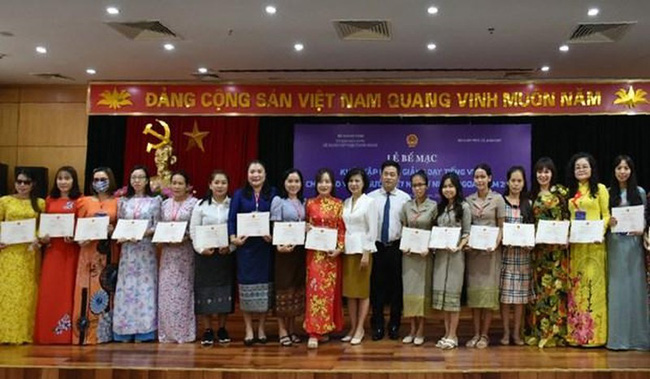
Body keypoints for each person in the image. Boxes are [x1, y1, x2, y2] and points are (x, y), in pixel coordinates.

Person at [228, 160, 276, 346]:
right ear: (247, 175)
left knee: (264, 289)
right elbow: (231, 219)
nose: (256, 175)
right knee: (247, 288)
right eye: (252, 172)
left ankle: (262, 328)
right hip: (245, 249)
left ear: (265, 174)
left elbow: (276, 219)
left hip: (264, 249)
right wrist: (233, 238)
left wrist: (273, 235)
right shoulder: (239, 194)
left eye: (259, 171)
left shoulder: (272, 194)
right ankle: (248, 328)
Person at [523, 157, 570, 348]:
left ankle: (557, 334)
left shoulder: (561, 192)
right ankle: (536, 333)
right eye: (540, 172)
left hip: (557, 252)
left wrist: (567, 235)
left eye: (547, 171)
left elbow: (568, 217)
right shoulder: (530, 196)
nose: (543, 175)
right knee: (538, 294)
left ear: (552, 173)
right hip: (538, 252)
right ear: (535, 174)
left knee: (556, 293)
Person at [113, 165, 162, 342]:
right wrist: (123, 234)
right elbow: (119, 225)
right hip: (128, 251)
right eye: (134, 177)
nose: (137, 181)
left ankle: (145, 330)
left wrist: (143, 232)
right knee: (126, 286)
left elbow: (158, 226)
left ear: (147, 181)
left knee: (145, 287)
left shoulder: (155, 201)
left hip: (145, 250)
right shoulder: (123, 202)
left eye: (141, 177)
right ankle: (124, 331)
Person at [34, 166, 82, 344]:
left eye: (67, 178)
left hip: (70, 252)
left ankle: (66, 333)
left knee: (67, 291)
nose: (63, 182)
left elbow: (83, 224)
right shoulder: (49, 200)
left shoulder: (80, 200)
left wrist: (75, 235)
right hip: (53, 251)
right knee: (49, 290)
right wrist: (43, 237)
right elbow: (42, 226)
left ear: (74, 181)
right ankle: (46, 333)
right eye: (60, 178)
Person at [566, 152, 609, 347]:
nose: (581, 170)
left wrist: (600, 231)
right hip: (577, 246)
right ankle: (577, 335)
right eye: (577, 167)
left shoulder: (599, 189)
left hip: (595, 245)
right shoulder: (570, 191)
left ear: (592, 169)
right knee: (578, 288)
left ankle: (595, 336)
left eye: (584, 166)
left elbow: (606, 215)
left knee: (594, 288)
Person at [606, 155, 649, 350]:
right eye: (619, 168)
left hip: (633, 244)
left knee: (635, 288)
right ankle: (617, 339)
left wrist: (643, 229)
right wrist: (609, 222)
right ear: (614, 171)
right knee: (617, 290)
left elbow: (645, 218)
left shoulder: (639, 192)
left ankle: (638, 338)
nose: (622, 171)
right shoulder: (607, 193)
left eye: (626, 168)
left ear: (631, 171)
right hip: (614, 244)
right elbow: (604, 219)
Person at [72, 167, 118, 345]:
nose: (100, 182)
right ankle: (84, 334)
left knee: (106, 288)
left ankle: (104, 334)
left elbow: (122, 224)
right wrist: (79, 239)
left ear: (110, 180)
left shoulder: (117, 202)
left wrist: (113, 229)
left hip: (108, 252)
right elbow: (77, 226)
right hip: (89, 252)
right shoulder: (83, 201)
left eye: (103, 179)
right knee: (86, 288)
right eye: (96, 179)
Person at [189, 170, 235, 346]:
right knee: (205, 291)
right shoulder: (201, 206)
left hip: (225, 256)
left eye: (223, 183)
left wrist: (230, 247)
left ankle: (222, 328)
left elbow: (236, 228)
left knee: (224, 292)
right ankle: (207, 330)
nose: (220, 186)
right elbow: (194, 231)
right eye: (217, 182)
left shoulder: (232, 205)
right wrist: (201, 249)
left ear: (228, 185)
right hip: (205, 256)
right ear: (210, 185)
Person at [0, 169, 45, 344]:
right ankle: (4, 333)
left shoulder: (39, 203)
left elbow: (45, 227)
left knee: (26, 294)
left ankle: (24, 333)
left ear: (33, 184)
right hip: (8, 254)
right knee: (7, 293)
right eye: (19, 182)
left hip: (29, 253)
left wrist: (39, 239)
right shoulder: (4, 201)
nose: (22, 185)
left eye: (26, 182)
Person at [368, 160, 410, 341]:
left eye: (393, 174)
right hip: (376, 248)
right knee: (376, 289)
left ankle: (394, 324)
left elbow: (407, 225)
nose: (389, 177)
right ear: (380, 175)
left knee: (396, 289)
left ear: (398, 177)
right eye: (386, 173)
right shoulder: (370, 198)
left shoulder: (405, 198)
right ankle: (377, 324)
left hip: (396, 247)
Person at [303, 168, 345, 349]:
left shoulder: (339, 204)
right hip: (314, 255)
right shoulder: (309, 203)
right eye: (321, 182)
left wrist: (339, 249)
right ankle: (313, 332)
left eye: (327, 181)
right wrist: (304, 228)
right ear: (316, 184)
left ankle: (326, 329)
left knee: (329, 294)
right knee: (314, 292)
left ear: (332, 184)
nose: (324, 185)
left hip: (331, 256)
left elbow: (342, 229)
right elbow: (304, 225)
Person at [465, 163, 505, 349]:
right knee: (475, 296)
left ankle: (485, 335)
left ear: (489, 178)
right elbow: (466, 228)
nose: (480, 180)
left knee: (487, 297)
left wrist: (495, 244)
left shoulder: (497, 199)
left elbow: (501, 227)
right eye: (477, 177)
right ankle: (475, 333)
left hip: (490, 254)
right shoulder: (468, 200)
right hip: (474, 255)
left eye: (483, 177)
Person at [157, 171, 198, 343]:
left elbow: (195, 228)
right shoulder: (164, 204)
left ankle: (184, 333)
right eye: (174, 183)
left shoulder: (195, 204)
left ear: (188, 186)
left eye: (180, 183)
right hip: (168, 253)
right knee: (166, 292)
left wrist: (186, 236)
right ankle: (166, 333)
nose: (176, 186)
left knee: (183, 291)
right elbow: (159, 225)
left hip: (185, 252)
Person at [432, 172, 471, 350]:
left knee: (453, 298)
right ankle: (446, 333)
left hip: (456, 257)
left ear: (457, 188)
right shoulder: (439, 208)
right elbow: (434, 232)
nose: (448, 190)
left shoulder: (464, 207)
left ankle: (453, 335)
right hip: (440, 257)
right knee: (443, 298)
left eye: (451, 186)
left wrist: (459, 246)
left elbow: (467, 233)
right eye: (445, 186)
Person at [398, 170, 436, 346]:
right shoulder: (406, 206)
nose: (418, 188)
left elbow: (436, 232)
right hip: (409, 256)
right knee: (410, 292)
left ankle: (421, 330)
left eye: (421, 184)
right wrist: (403, 246)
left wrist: (429, 247)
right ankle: (411, 329)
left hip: (424, 256)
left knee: (422, 293)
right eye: (414, 185)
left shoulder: (433, 206)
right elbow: (403, 228)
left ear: (426, 186)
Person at [270, 169, 307, 347]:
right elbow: (275, 225)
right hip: (283, 252)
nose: (293, 184)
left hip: (299, 252)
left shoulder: (302, 203)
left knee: (295, 290)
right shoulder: (279, 201)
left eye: (297, 181)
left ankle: (292, 329)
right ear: (284, 183)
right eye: (290, 181)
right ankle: (282, 330)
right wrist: (279, 245)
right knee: (283, 289)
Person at [341, 168, 377, 345]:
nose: (353, 184)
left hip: (363, 251)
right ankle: (353, 327)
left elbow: (372, 230)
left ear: (364, 183)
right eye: (351, 181)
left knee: (362, 292)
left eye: (357, 181)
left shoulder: (369, 202)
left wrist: (366, 253)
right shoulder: (346, 202)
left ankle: (361, 328)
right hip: (348, 251)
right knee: (350, 293)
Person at [499, 166, 534, 346]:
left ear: (523, 183)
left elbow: (533, 230)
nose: (516, 184)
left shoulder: (529, 204)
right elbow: (498, 229)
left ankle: (516, 333)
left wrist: (531, 241)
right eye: (513, 180)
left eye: (519, 181)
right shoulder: (501, 202)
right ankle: (505, 333)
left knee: (520, 300)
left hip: (523, 257)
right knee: (505, 299)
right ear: (507, 182)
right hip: (506, 256)